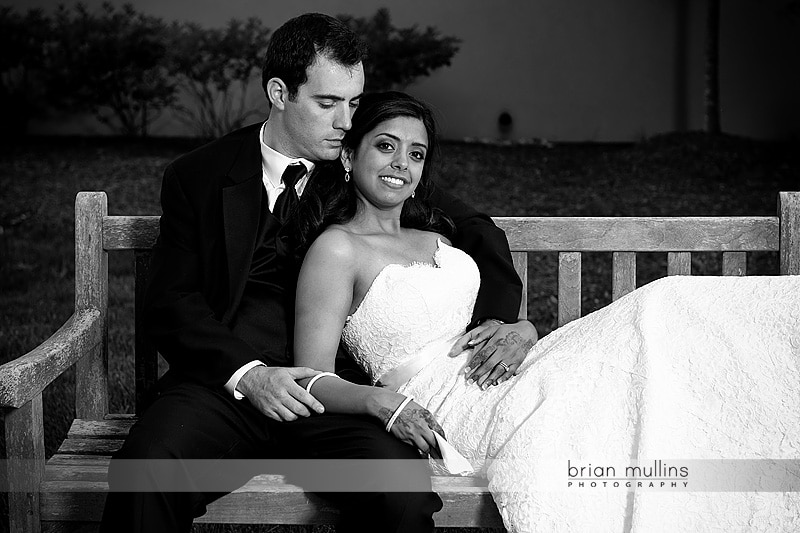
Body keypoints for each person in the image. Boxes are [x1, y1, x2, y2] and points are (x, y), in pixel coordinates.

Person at [100, 13, 536, 533]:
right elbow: (171, 302)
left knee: (401, 497)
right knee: (147, 472)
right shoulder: (200, 175)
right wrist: (251, 375)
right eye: (328, 103)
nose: (346, 121)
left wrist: (498, 323)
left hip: (338, 392)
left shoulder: (361, 161)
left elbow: (477, 229)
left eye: (353, 103)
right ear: (280, 93)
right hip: (227, 387)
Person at [292, 91, 800, 532]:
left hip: (508, 369)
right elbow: (310, 375)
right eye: (386, 146)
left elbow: (473, 324)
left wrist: (526, 327)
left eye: (416, 153)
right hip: (450, 402)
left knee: (662, 314)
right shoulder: (338, 250)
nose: (402, 163)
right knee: (656, 312)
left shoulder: (436, 236)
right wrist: (383, 405)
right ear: (349, 155)